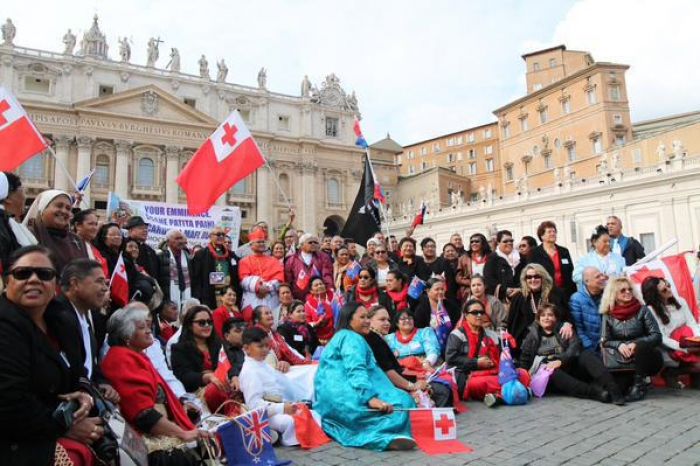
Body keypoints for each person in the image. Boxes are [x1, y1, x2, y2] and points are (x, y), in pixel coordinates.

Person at [0, 246, 101, 465]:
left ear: (55, 284)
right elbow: (9, 402)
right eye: (23, 273)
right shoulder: (4, 325)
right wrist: (65, 427)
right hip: (16, 440)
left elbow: (79, 371)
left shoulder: (61, 320)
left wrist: (84, 394)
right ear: (7, 280)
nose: (34, 280)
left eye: (44, 274)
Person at [101, 303, 209, 465]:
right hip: (152, 444)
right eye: (141, 327)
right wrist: (182, 433)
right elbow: (143, 415)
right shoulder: (121, 360)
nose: (148, 330)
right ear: (127, 336)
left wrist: (181, 404)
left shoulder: (136, 356)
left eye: (148, 326)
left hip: (163, 431)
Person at [314, 302, 416, 451]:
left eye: (368, 317)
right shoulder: (351, 338)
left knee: (402, 400)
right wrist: (370, 399)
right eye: (362, 317)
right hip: (346, 398)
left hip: (331, 400)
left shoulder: (343, 336)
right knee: (402, 404)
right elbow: (356, 369)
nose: (368, 321)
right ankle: (380, 437)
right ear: (349, 320)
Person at [519, 303, 624, 404]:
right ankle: (596, 393)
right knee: (552, 371)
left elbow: (575, 347)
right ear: (538, 319)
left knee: (586, 355)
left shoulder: (565, 330)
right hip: (547, 373)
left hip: (567, 364)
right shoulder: (531, 336)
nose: (546, 318)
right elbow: (525, 358)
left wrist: (561, 361)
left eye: (550, 315)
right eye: (543, 315)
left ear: (556, 318)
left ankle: (613, 389)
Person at [239, 327, 320, 446]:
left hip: (279, 406)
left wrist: (291, 403)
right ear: (246, 348)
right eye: (260, 346)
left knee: (314, 414)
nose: (265, 350)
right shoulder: (249, 371)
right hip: (266, 414)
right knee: (291, 422)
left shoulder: (262, 365)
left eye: (267, 346)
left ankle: (274, 434)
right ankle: (272, 434)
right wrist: (282, 408)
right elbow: (254, 405)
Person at [56, 259, 119, 401]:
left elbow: (90, 363)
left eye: (105, 283)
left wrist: (103, 383)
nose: (105, 289)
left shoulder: (86, 317)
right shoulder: (58, 316)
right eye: (99, 281)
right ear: (75, 284)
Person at [445, 299, 530, 404]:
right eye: (475, 312)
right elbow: (451, 359)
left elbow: (502, 361)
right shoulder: (457, 335)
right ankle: (519, 392)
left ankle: (499, 396)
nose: (479, 315)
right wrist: (476, 363)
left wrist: (508, 346)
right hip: (469, 376)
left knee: (523, 374)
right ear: (466, 315)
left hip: (494, 371)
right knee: (482, 383)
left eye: (481, 312)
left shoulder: (492, 335)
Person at [366, 305, 452, 407]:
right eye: (382, 320)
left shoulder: (424, 332)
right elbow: (389, 372)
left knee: (442, 386)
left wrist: (424, 366)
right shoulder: (376, 339)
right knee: (440, 391)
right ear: (369, 321)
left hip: (413, 372)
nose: (387, 323)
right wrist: (413, 386)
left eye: (388, 320)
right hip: (387, 386)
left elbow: (432, 350)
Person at [600, 277, 663, 401]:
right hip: (622, 362)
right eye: (622, 290)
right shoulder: (608, 314)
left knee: (641, 345)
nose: (628, 292)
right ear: (614, 294)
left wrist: (636, 343)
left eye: (629, 289)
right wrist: (619, 345)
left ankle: (640, 386)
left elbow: (657, 336)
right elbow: (605, 340)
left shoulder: (642, 310)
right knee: (616, 391)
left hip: (647, 359)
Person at [170, 305, 233, 413]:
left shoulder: (218, 344)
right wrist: (205, 377)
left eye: (209, 322)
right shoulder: (179, 348)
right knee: (214, 389)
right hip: (198, 393)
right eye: (201, 323)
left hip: (224, 386)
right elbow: (183, 376)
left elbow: (232, 363)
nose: (207, 325)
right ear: (190, 325)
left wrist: (234, 376)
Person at [641, 276, 700, 386]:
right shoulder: (650, 310)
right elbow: (661, 338)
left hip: (688, 342)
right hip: (668, 349)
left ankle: (693, 378)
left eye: (668, 285)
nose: (669, 289)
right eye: (664, 289)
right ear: (655, 294)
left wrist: (697, 341)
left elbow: (692, 324)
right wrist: (684, 348)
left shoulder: (680, 301)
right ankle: (671, 372)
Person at [506, 264, 571, 356]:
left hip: (555, 340)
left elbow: (567, 315)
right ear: (525, 280)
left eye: (536, 276)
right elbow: (513, 325)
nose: (533, 280)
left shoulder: (556, 294)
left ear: (543, 277)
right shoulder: (519, 297)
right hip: (528, 343)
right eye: (529, 277)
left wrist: (567, 323)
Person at [24, 190, 88, 274]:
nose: (64, 211)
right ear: (43, 209)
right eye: (59, 206)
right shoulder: (27, 236)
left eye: (68, 208)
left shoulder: (77, 240)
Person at [191, 226, 240, 310]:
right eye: (218, 234)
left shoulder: (231, 255)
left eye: (223, 234)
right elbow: (196, 278)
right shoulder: (201, 254)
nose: (221, 237)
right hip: (210, 295)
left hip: (228, 294)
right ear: (210, 236)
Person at [239, 229, 284, 311]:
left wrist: (266, 288)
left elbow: (279, 278)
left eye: (263, 242)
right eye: (259, 242)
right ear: (251, 245)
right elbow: (243, 280)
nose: (262, 244)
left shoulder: (274, 260)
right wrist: (257, 287)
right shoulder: (244, 261)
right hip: (252, 298)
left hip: (270, 298)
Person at [529, 221, 576, 299]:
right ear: (542, 236)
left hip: (565, 292)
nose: (553, 234)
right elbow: (531, 273)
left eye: (554, 231)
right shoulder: (535, 253)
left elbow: (570, 271)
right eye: (549, 232)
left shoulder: (564, 251)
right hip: (545, 293)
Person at [252, 305, 308, 369]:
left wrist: (304, 361)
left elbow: (290, 350)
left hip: (282, 367)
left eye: (270, 313)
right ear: (257, 319)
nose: (270, 315)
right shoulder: (255, 335)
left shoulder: (275, 334)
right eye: (267, 313)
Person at [0, 173, 35, 272]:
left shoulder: (8, 223)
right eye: (23, 191)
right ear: (7, 197)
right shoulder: (3, 226)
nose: (25, 197)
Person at [413, 277, 460, 351]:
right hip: (432, 348)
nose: (440, 292)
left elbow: (459, 325)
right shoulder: (421, 310)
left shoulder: (451, 306)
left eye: (442, 289)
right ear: (428, 291)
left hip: (453, 346)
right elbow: (419, 332)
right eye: (437, 289)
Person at [284, 233, 334, 300]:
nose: (313, 244)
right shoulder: (292, 260)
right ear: (301, 245)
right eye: (310, 242)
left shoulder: (323, 257)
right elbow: (288, 280)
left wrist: (330, 290)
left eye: (315, 242)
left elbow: (327, 275)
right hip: (299, 297)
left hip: (319, 296)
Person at [569, 267, 607, 352]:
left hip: (609, 345)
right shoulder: (576, 299)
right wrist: (590, 348)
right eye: (598, 277)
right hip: (589, 348)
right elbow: (578, 330)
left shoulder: (608, 294)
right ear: (587, 282)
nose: (603, 278)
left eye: (602, 275)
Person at [157, 229, 192, 313]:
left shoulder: (188, 257)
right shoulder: (160, 256)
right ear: (168, 241)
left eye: (181, 238)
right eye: (177, 239)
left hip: (186, 296)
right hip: (168, 299)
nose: (180, 241)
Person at [483, 230, 520, 301]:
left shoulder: (520, 257)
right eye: (505, 241)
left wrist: (519, 289)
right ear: (498, 243)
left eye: (511, 241)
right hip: (502, 300)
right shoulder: (492, 259)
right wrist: (505, 290)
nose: (509, 243)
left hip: (519, 297)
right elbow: (489, 280)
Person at [304, 277, 336, 344]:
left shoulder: (335, 297)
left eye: (321, 284)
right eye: (316, 285)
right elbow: (307, 323)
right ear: (311, 291)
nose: (319, 286)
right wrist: (317, 323)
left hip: (336, 335)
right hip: (319, 340)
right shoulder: (308, 305)